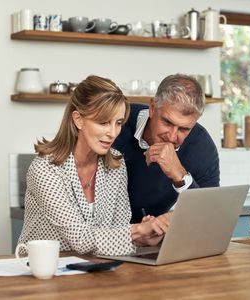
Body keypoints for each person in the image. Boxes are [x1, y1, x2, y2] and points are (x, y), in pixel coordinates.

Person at [18, 75, 168, 256]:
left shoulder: (116, 165)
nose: (113, 133)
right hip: (43, 270)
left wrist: (142, 239)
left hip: (96, 271)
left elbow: (118, 230)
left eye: (118, 123)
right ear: (78, 119)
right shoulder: (45, 169)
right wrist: (137, 231)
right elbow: (80, 238)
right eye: (103, 122)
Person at [114, 74, 220, 224]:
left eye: (184, 129)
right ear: (152, 108)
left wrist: (180, 176)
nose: (172, 136)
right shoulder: (117, 123)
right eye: (167, 122)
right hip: (104, 237)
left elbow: (209, 217)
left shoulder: (202, 146)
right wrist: (135, 232)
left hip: (153, 238)